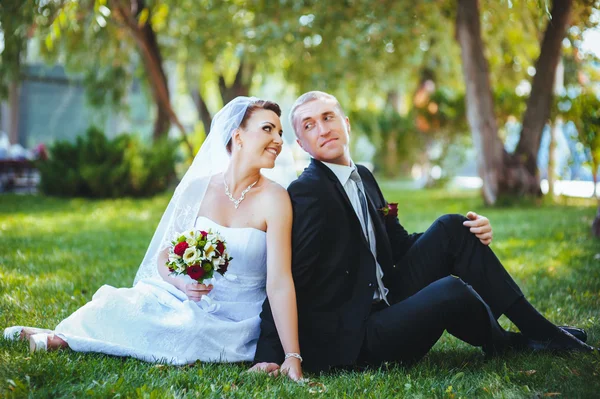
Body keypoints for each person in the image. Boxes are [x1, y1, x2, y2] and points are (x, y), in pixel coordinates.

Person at [252, 91, 596, 374]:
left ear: (346, 124)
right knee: (450, 291)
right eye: (309, 125)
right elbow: (287, 274)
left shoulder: (364, 177)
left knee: (452, 226)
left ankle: (539, 330)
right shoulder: (309, 191)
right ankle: (511, 342)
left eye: (328, 117)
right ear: (302, 144)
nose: (322, 129)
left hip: (386, 296)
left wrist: (470, 232)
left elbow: (399, 246)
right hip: (358, 332)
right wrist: (269, 352)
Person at [4, 97, 303, 380]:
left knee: (189, 330)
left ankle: (57, 341)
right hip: (186, 296)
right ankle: (61, 335)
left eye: (280, 131)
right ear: (238, 136)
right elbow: (165, 257)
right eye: (268, 129)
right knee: (119, 303)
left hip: (233, 318)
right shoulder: (198, 188)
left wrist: (292, 355)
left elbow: (278, 282)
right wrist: (183, 283)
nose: (278, 139)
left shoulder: (276, 199)